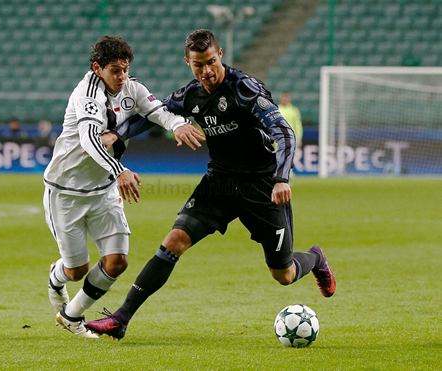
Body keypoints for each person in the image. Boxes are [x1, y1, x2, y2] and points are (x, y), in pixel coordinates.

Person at [85, 29, 336, 340]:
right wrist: (118, 134)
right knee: (174, 240)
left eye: (211, 62)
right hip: (219, 182)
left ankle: (315, 258)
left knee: (283, 273)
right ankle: (121, 318)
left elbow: (284, 133)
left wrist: (281, 178)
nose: (206, 72)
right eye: (198, 65)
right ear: (188, 63)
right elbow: (153, 114)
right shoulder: (190, 95)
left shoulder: (245, 90)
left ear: (221, 56)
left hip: (261, 186)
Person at [43, 35, 204, 338]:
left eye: (125, 69)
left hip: (103, 190)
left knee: (117, 262)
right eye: (115, 70)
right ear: (97, 68)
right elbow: (90, 140)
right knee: (76, 270)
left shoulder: (132, 88)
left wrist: (178, 124)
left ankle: (71, 315)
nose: (122, 77)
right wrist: (120, 170)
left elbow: (157, 111)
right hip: (66, 192)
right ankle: (56, 277)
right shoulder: (86, 95)